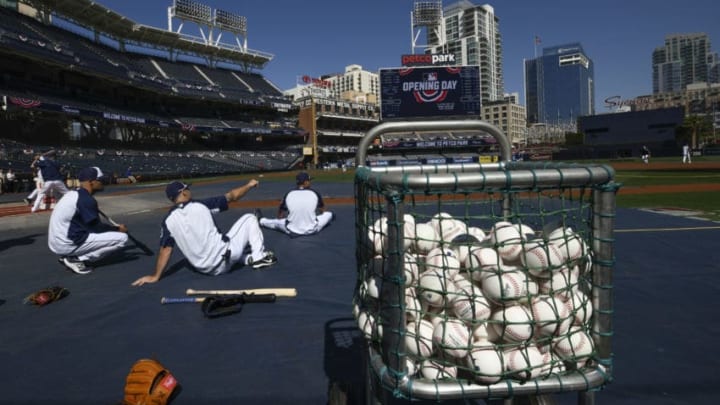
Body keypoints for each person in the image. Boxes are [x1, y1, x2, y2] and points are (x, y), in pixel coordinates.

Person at [131, 179, 276, 286]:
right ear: (183, 192)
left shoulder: (168, 221)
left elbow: (166, 250)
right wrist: (249, 185)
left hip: (206, 269)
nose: (189, 190)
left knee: (224, 241)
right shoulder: (201, 205)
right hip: (224, 260)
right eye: (187, 188)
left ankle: (246, 259)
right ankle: (258, 257)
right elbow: (232, 196)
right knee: (249, 219)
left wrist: (155, 276)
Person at [48, 167, 129, 274]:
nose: (103, 183)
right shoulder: (86, 200)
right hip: (66, 243)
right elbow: (97, 228)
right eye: (101, 180)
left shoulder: (74, 194)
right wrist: (118, 229)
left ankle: (73, 256)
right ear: (91, 182)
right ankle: (78, 259)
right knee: (122, 239)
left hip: (56, 241)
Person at [258, 172, 334, 237]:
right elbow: (322, 210)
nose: (310, 182)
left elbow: (280, 213)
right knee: (328, 214)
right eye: (309, 180)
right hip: (312, 229)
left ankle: (261, 220)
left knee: (275, 223)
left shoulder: (289, 193)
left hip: (291, 230)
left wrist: (280, 220)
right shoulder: (314, 192)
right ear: (305, 182)